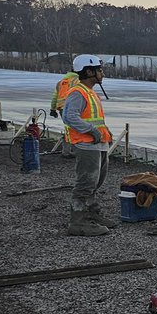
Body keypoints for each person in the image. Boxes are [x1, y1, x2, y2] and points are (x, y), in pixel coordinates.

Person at [62, 54, 113, 236]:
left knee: (96, 182)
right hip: (86, 145)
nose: (102, 73)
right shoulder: (78, 92)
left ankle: (91, 213)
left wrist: (105, 132)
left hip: (98, 144)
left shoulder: (91, 92)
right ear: (89, 71)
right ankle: (78, 221)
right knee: (86, 182)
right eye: (99, 70)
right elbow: (69, 116)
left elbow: (95, 118)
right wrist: (91, 130)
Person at [50, 69, 79, 156]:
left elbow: (55, 97)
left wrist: (53, 109)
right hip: (73, 108)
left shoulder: (61, 82)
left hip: (62, 109)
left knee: (69, 129)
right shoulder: (78, 81)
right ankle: (70, 151)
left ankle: (67, 150)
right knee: (76, 129)